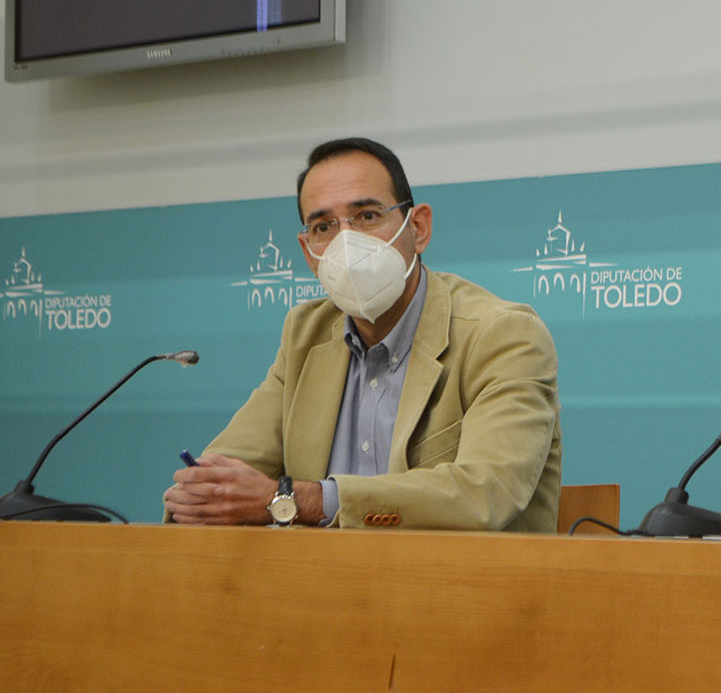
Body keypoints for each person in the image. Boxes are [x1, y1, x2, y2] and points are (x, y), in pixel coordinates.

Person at [164, 137, 561, 530]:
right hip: (322, 587)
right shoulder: (306, 334)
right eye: (324, 226)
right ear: (308, 252)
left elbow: (486, 493)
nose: (346, 242)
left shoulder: (503, 335)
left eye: (368, 216)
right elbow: (223, 476)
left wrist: (295, 499)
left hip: (460, 587)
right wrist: (203, 494)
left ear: (418, 228)